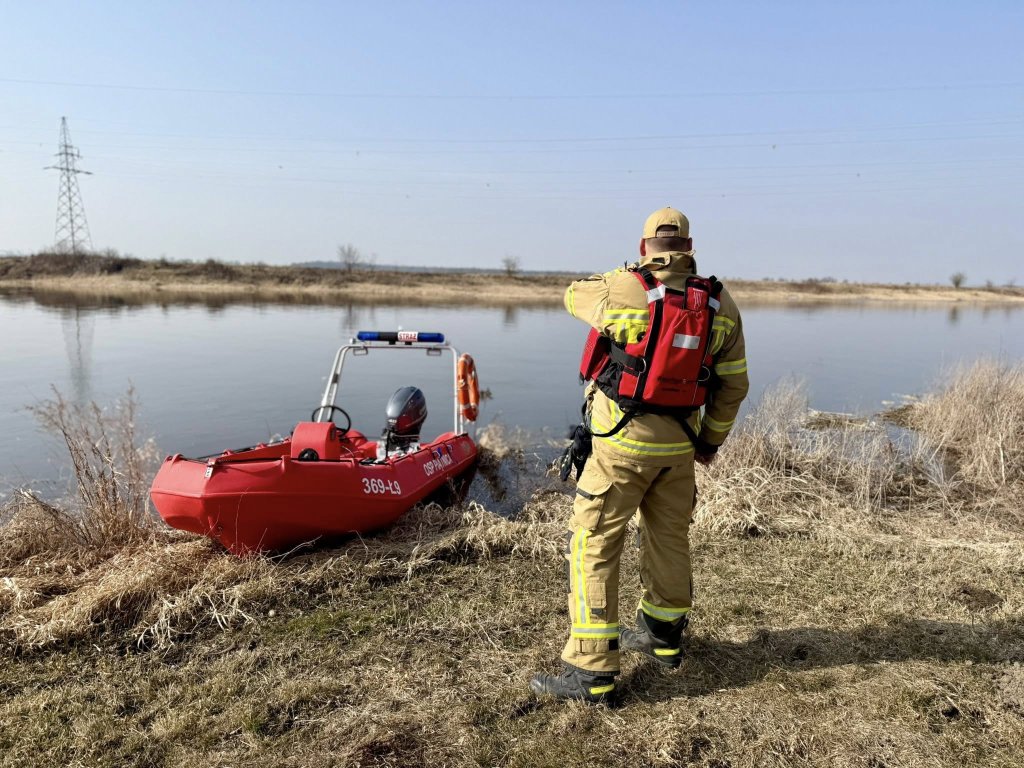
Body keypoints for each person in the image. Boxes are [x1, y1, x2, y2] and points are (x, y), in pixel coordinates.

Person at [530, 207, 749, 704]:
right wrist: (710, 443)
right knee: (669, 538)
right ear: (690, 245)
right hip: (679, 448)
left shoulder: (620, 287)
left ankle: (592, 673)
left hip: (621, 447)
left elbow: (569, 295)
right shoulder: (721, 304)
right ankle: (662, 635)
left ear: (645, 244)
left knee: (595, 546)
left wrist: (631, 272)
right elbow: (734, 384)